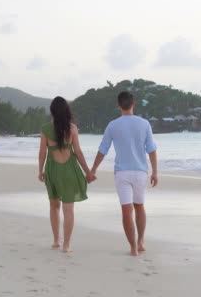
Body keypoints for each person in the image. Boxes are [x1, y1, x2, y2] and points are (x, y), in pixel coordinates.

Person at [91, 91, 158, 256]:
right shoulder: (144, 124)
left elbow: (103, 150)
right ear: (133, 103)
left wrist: (93, 169)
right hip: (140, 172)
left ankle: (133, 248)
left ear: (119, 105)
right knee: (140, 207)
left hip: (122, 173)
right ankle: (141, 241)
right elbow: (152, 150)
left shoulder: (113, 125)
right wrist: (155, 172)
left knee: (126, 210)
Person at [38, 96, 95, 253]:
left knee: (54, 206)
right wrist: (88, 171)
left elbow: (42, 153)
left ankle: (56, 240)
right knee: (68, 209)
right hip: (70, 170)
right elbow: (78, 152)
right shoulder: (73, 129)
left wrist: (40, 170)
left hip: (52, 171)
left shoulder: (45, 129)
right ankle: (66, 245)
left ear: (52, 112)